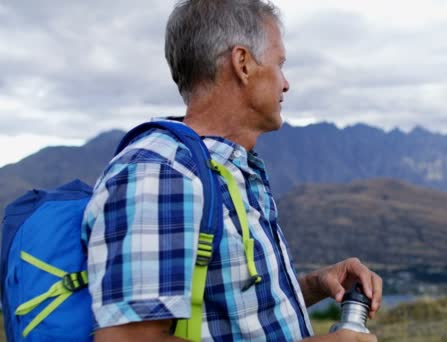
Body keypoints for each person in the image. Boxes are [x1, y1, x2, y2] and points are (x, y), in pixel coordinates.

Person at [83, 0, 382, 341]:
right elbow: (130, 339)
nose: (286, 84)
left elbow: (232, 312)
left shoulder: (221, 169)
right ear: (242, 63)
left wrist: (314, 285)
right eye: (279, 64)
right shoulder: (163, 173)